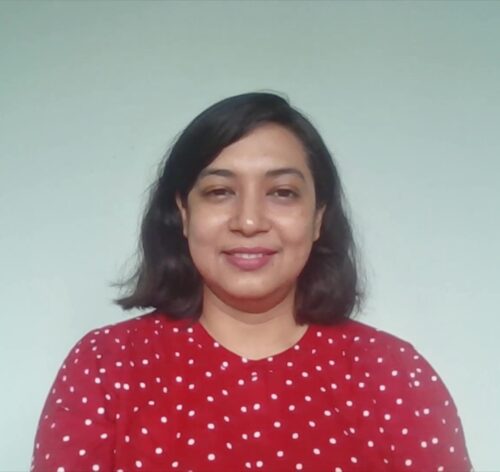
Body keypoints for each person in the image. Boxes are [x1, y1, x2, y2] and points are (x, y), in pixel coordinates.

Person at [32, 92, 472, 471]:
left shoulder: (395, 377)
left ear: (318, 217)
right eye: (220, 192)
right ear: (184, 214)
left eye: (282, 192)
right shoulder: (107, 369)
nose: (248, 221)